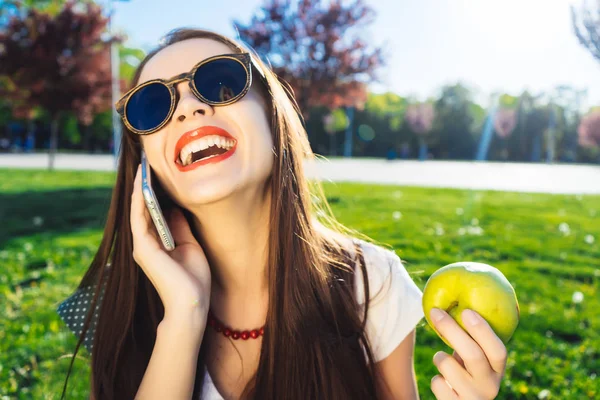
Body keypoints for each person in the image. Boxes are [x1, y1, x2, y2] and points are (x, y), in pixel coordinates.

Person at [56, 28, 508, 400]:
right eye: (151, 105)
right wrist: (183, 314)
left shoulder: (374, 282)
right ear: (144, 164)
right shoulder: (117, 299)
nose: (190, 109)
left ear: (273, 116)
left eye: (220, 82)